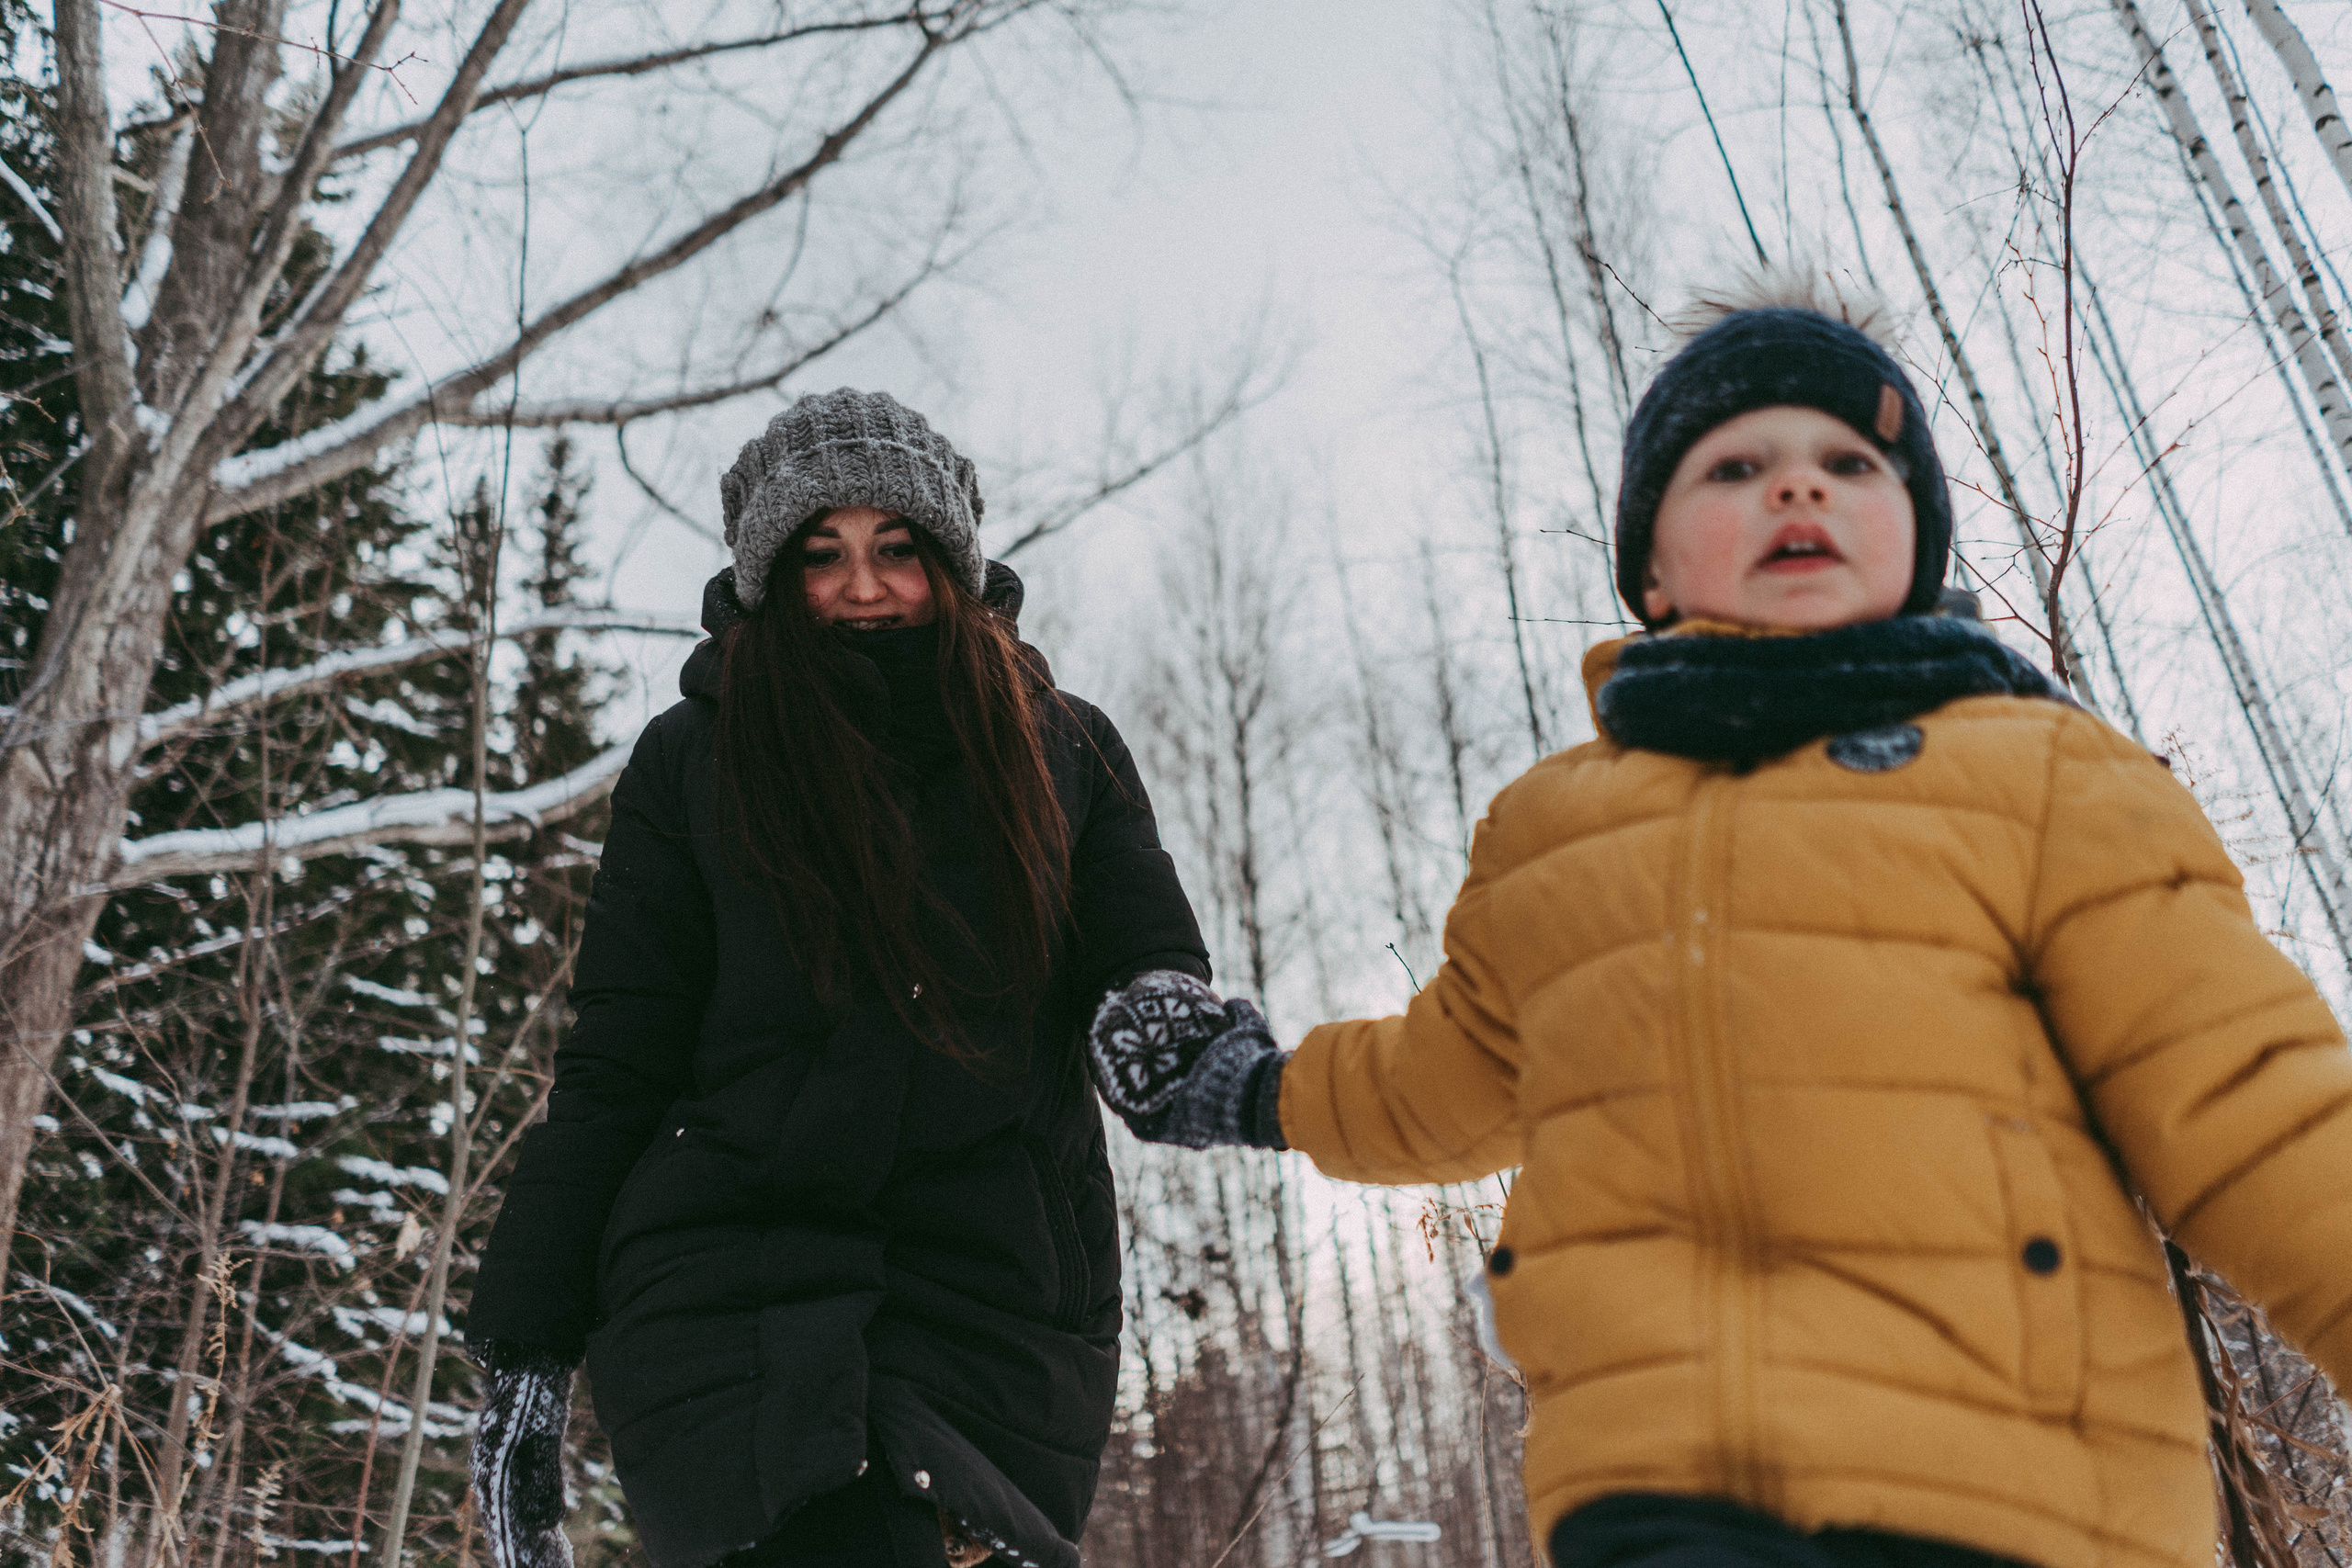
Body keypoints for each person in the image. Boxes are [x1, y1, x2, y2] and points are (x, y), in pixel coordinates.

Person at [1086, 279, 2352, 1568]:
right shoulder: (1554, 830)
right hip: (1656, 1490)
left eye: (1849, 461)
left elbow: (2257, 1108)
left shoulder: (2044, 777)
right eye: (1736, 464)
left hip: (2012, 1488)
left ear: (1917, 530)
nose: (1798, 488)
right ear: (1647, 561)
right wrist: (1244, 1084)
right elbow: (1443, 1082)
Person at [465, 389, 1213, 1568]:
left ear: (953, 566)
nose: (863, 586)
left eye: (897, 550)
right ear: (773, 575)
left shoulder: (1059, 747)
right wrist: (525, 1351)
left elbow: (1146, 955)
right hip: (725, 1286)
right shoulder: (695, 760)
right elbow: (617, 1062)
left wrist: (1169, 1025)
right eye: (823, 555)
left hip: (995, 1286)